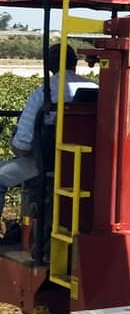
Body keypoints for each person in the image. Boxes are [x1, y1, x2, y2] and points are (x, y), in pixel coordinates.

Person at [0, 45, 94, 223]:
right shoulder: (94, 89)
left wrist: (14, 142)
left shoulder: (44, 93)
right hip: (88, 162)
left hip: (50, 161)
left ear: (49, 66)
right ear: (75, 63)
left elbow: (23, 144)